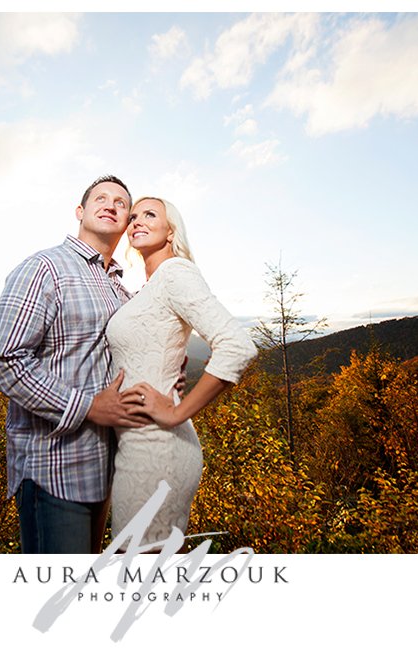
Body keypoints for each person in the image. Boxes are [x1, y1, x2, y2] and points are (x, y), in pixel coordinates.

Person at [0, 175, 151, 554]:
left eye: (121, 203)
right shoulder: (45, 268)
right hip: (54, 466)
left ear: (127, 222)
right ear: (80, 211)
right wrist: (88, 406)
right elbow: (1, 359)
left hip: (105, 468)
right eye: (100, 198)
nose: (110, 204)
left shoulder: (118, 287)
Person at [106, 196, 257, 549]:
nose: (137, 221)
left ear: (171, 230)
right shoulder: (151, 285)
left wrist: (175, 412)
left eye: (150, 214)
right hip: (134, 445)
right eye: (134, 216)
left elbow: (237, 344)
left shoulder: (175, 274)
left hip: (156, 449)